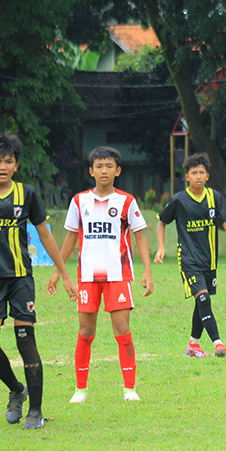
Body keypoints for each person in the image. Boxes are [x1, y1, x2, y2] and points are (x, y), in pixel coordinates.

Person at [0, 133, 76, 429]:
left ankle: (36, 412)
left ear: (16, 165)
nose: (2, 166)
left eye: (8, 161)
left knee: (26, 342)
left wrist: (66, 275)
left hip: (22, 280)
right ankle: (16, 389)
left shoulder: (28, 194)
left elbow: (45, 234)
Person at [48, 146, 153, 403]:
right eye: (99, 166)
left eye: (108, 166)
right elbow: (71, 237)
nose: (103, 171)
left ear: (117, 171)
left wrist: (147, 271)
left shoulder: (127, 201)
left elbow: (139, 236)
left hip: (119, 275)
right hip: (87, 277)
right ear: (91, 171)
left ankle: (130, 389)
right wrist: (58, 273)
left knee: (122, 329)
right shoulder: (79, 201)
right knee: (85, 331)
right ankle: (80, 389)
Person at [154, 152, 226, 357]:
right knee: (203, 299)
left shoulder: (214, 197)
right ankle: (218, 343)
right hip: (188, 260)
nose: (198, 176)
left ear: (207, 176)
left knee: (201, 300)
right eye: (194, 173)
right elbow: (161, 222)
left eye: (202, 172)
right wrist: (161, 247)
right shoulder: (179, 200)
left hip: (209, 260)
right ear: (187, 177)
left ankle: (193, 344)